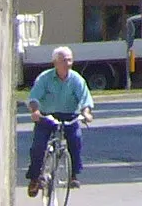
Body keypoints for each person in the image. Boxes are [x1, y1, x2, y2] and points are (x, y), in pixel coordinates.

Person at [27, 45, 93, 195]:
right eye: (64, 60)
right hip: (47, 116)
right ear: (55, 62)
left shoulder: (76, 79)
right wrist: (35, 111)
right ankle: (34, 179)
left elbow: (84, 99)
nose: (68, 63)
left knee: (75, 139)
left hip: (70, 115)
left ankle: (73, 174)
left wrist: (86, 113)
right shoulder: (45, 78)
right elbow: (34, 98)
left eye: (70, 60)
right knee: (38, 145)